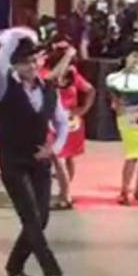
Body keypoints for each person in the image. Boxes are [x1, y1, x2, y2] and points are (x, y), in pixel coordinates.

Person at [0, 28, 70, 276]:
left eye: (36, 60)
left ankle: (14, 267)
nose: (33, 65)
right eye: (26, 61)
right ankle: (52, 272)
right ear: (15, 65)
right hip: (12, 161)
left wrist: (54, 148)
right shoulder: (4, 87)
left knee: (42, 218)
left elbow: (62, 122)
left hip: (39, 161)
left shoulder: (49, 89)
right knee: (31, 218)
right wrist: (13, 38)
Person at [106, 43, 138, 206]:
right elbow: (113, 98)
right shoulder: (116, 77)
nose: (137, 60)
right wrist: (117, 102)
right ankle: (124, 192)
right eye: (134, 56)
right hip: (128, 117)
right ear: (126, 57)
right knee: (132, 155)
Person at [44, 46, 95, 211]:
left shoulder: (73, 74)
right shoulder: (46, 72)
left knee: (68, 157)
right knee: (57, 157)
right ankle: (65, 193)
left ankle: (65, 194)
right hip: (53, 121)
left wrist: (83, 109)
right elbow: (50, 79)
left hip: (72, 121)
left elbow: (90, 90)